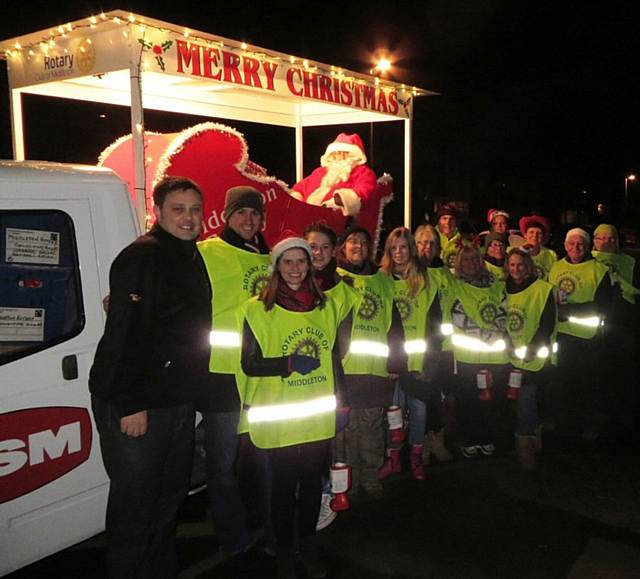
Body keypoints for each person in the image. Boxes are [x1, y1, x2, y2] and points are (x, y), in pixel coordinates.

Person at [89, 176, 207, 578]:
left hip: (174, 401)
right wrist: (129, 404)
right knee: (135, 510)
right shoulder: (143, 256)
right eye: (178, 209)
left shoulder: (189, 255)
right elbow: (126, 335)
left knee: (168, 502)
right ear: (158, 212)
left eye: (194, 209)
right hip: (138, 404)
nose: (188, 217)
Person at [240, 234, 340, 579]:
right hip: (280, 417)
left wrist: (342, 402)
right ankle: (284, 552)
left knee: (312, 487)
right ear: (277, 267)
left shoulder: (326, 305)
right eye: (288, 262)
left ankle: (308, 546)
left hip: (316, 415)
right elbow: (249, 363)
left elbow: (334, 358)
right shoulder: (258, 308)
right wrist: (288, 363)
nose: (296, 269)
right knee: (283, 489)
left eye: (301, 261)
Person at [197, 186, 271, 561]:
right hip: (221, 375)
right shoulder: (207, 251)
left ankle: (253, 518)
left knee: (255, 453)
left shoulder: (270, 257)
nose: (249, 220)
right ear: (227, 216)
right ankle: (233, 535)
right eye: (241, 212)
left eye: (255, 214)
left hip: (260, 375)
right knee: (222, 462)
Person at [336, 223, 407, 500]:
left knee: (372, 427)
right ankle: (349, 482)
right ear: (344, 247)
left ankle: (370, 476)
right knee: (346, 430)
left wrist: (395, 363)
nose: (359, 247)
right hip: (344, 369)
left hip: (375, 370)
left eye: (364, 243)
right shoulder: (335, 277)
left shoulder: (383, 280)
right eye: (353, 242)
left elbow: (395, 326)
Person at [303, 222, 358, 530]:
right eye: (313, 246)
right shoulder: (292, 282)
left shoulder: (343, 289)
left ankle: (325, 495)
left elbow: (343, 342)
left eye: (325, 247)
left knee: (326, 440)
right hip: (295, 378)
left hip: (329, 376)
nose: (319, 253)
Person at [378, 227, 442, 480]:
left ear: (411, 250)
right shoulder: (380, 280)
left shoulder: (426, 281)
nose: (399, 253)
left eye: (403, 247)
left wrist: (432, 360)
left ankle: (416, 457)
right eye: (394, 248)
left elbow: (436, 323)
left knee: (418, 410)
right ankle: (392, 458)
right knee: (392, 410)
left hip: (418, 360)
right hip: (391, 361)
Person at [549, 228, 613, 440]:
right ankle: (565, 424)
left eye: (581, 244)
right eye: (571, 243)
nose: (576, 248)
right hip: (562, 337)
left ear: (587, 246)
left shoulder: (599, 270)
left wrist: (571, 311)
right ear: (565, 245)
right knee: (564, 383)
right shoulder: (555, 267)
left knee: (589, 385)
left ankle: (589, 426)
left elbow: (603, 304)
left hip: (589, 338)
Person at [445, 245, 510, 457]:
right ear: (459, 263)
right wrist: (488, 335)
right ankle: (470, 438)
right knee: (468, 400)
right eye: (466, 260)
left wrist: (494, 334)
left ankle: (488, 437)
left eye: (475, 259)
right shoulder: (454, 286)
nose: (471, 264)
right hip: (467, 356)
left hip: (496, 356)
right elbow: (457, 317)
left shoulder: (497, 285)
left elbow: (505, 312)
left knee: (492, 400)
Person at [505, 248, 557, 469]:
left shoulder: (543, 289)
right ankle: (530, 435)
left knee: (527, 399)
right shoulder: (501, 289)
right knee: (521, 401)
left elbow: (547, 323)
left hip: (533, 357)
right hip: (509, 356)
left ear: (528, 266)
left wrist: (533, 349)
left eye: (520, 264)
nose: (516, 269)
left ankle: (525, 442)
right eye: (512, 265)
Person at [414, 224, 455, 463]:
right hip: (419, 348)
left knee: (438, 397)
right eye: (422, 242)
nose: (427, 247)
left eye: (432, 243)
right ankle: (420, 446)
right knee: (421, 399)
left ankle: (435, 440)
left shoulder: (447, 274)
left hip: (445, 347)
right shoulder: (410, 272)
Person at [291, 133, 377, 217]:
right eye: (337, 153)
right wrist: (295, 201)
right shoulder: (320, 172)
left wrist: (339, 201)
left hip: (338, 220)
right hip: (305, 216)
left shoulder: (363, 172)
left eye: (345, 153)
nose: (341, 157)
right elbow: (300, 188)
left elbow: (363, 191)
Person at [519, 214, 558, 280]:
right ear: (525, 234)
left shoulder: (551, 254)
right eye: (531, 232)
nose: (535, 235)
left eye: (539, 233)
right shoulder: (516, 252)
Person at [435, 204, 462, 269]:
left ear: (456, 222)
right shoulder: (430, 239)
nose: (448, 222)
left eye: (451, 219)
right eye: (444, 218)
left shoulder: (464, 244)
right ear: (438, 221)